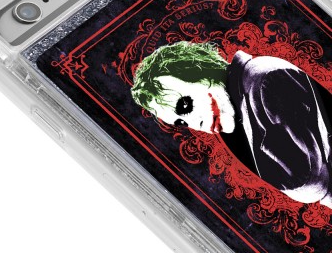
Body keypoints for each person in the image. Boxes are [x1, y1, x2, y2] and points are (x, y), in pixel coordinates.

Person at [131, 41, 332, 208]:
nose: (195, 123)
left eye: (185, 105)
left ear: (202, 72)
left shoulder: (263, 84)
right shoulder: (241, 113)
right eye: (181, 122)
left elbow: (312, 180)